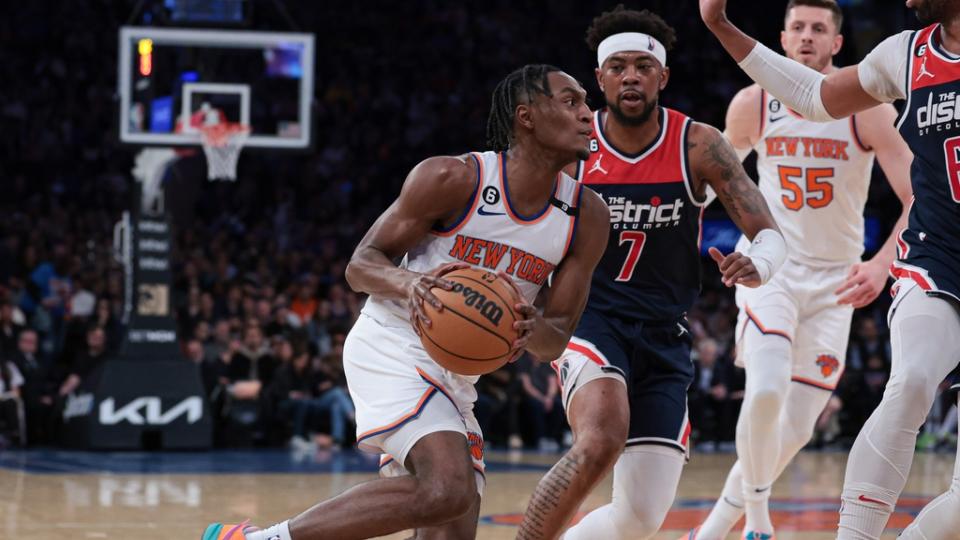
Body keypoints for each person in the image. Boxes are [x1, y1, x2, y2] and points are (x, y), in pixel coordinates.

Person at [203, 64, 610, 540]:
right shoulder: (454, 177)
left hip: (459, 373)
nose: (587, 114)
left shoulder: (587, 216)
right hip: (393, 342)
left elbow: (555, 338)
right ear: (527, 116)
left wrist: (530, 327)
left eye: (585, 102)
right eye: (571, 101)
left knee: (449, 525)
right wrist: (412, 284)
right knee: (447, 489)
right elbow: (360, 265)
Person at [517, 7, 785, 540]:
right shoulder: (570, 147)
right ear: (599, 80)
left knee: (638, 520)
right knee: (599, 439)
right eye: (617, 66)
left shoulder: (698, 144)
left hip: (665, 335)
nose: (631, 76)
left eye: (643, 65)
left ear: (663, 75)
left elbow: (768, 230)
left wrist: (760, 263)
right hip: (589, 320)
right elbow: (520, 225)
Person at [700, 0, 960, 538]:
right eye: (797, 27)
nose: (806, 37)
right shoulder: (902, 55)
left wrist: (876, 263)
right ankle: (756, 519)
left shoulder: (869, 113)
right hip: (803, 267)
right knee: (902, 381)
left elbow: (906, 190)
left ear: (836, 40)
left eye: (818, 27)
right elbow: (804, 103)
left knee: (795, 428)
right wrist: (720, 24)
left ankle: (718, 524)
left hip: (836, 280)